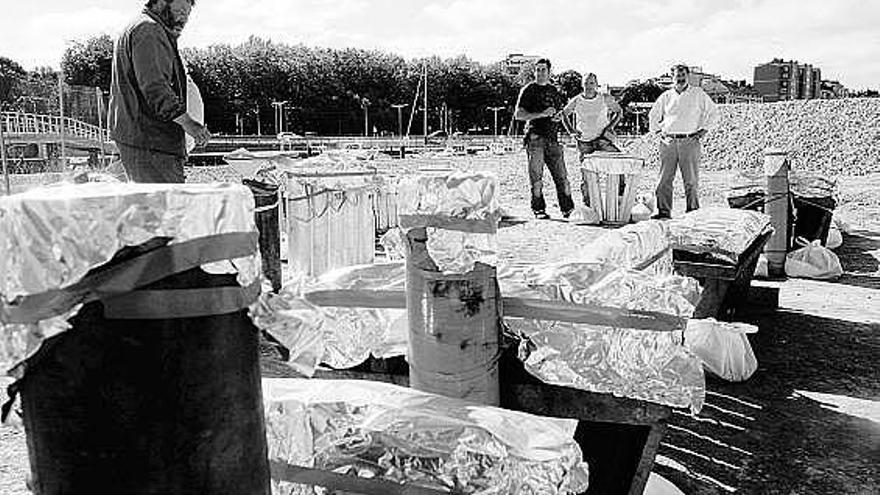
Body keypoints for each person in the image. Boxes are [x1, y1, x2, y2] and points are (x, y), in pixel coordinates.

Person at [109, 0, 210, 183]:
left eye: (187, 15)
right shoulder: (150, 30)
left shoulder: (138, 26)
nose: (183, 20)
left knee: (147, 207)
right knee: (166, 208)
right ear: (161, 2)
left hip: (142, 140)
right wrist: (190, 124)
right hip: (153, 142)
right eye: (179, 11)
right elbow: (155, 88)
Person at [648, 64, 719, 219]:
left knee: (691, 180)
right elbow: (653, 115)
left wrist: (704, 130)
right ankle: (663, 211)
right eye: (677, 76)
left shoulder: (698, 94)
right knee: (664, 180)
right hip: (669, 142)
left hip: (690, 141)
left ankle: (692, 212)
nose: (680, 79)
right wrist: (658, 132)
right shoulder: (666, 96)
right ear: (672, 77)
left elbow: (713, 112)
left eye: (682, 76)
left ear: (688, 76)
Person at [514, 58, 574, 220]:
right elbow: (518, 115)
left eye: (543, 70)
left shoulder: (554, 91)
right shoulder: (528, 90)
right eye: (537, 70)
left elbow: (559, 113)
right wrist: (541, 114)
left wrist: (558, 117)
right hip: (535, 138)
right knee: (536, 178)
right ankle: (538, 208)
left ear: (549, 72)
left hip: (553, 139)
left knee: (562, 177)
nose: (540, 73)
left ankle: (568, 209)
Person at [561, 72, 623, 207]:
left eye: (591, 83)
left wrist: (610, 127)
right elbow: (563, 114)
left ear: (596, 84)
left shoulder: (604, 98)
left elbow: (619, 112)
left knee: (619, 163)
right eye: (586, 83)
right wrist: (571, 131)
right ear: (582, 85)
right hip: (584, 142)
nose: (589, 86)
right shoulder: (577, 100)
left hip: (602, 139)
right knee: (588, 175)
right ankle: (589, 206)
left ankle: (619, 199)